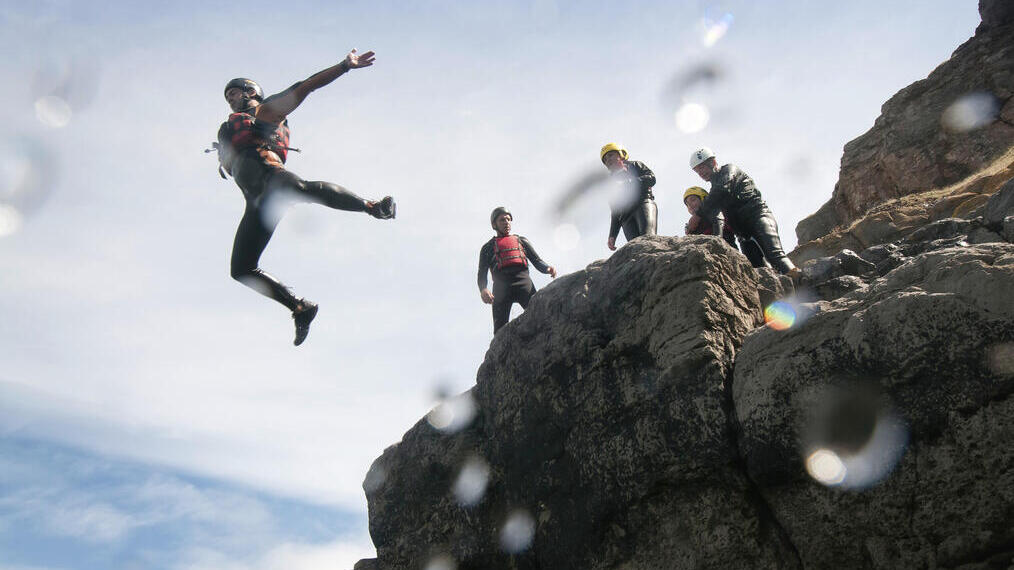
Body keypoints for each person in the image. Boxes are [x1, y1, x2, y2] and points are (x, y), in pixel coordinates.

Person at [213, 49, 396, 346]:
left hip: (272, 178)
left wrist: (344, 67)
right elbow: (233, 154)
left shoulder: (266, 112)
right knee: (241, 269)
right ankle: (300, 307)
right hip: (257, 203)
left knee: (300, 189)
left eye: (235, 93)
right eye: (228, 96)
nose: (231, 99)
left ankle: (373, 206)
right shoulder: (231, 132)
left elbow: (305, 86)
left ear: (251, 93)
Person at [686, 148, 799, 276]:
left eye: (702, 167)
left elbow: (722, 189)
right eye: (697, 170)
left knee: (775, 256)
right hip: (743, 234)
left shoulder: (729, 170)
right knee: (757, 270)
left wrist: (697, 215)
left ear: (713, 162)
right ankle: (784, 292)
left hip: (758, 217)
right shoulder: (714, 191)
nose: (700, 172)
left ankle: (802, 281)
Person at [478, 207, 557, 333]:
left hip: (523, 283)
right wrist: (483, 289)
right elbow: (482, 273)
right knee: (499, 330)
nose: (506, 222)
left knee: (540, 316)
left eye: (509, 219)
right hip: (501, 288)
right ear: (494, 224)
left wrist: (548, 268)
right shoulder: (487, 248)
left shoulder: (521, 241)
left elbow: (537, 261)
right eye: (502, 220)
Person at [683, 186, 768, 268]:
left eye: (693, 200)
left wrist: (715, 243)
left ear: (704, 198)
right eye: (687, 204)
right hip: (704, 255)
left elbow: (719, 232)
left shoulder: (715, 212)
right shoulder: (692, 225)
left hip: (726, 251)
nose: (690, 205)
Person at [600, 143, 658, 251]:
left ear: (621, 154)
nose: (608, 160)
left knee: (648, 240)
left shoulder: (635, 165)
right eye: (605, 159)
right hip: (626, 218)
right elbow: (615, 211)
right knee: (635, 249)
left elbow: (652, 178)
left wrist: (632, 181)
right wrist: (612, 235)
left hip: (643, 204)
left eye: (611, 155)